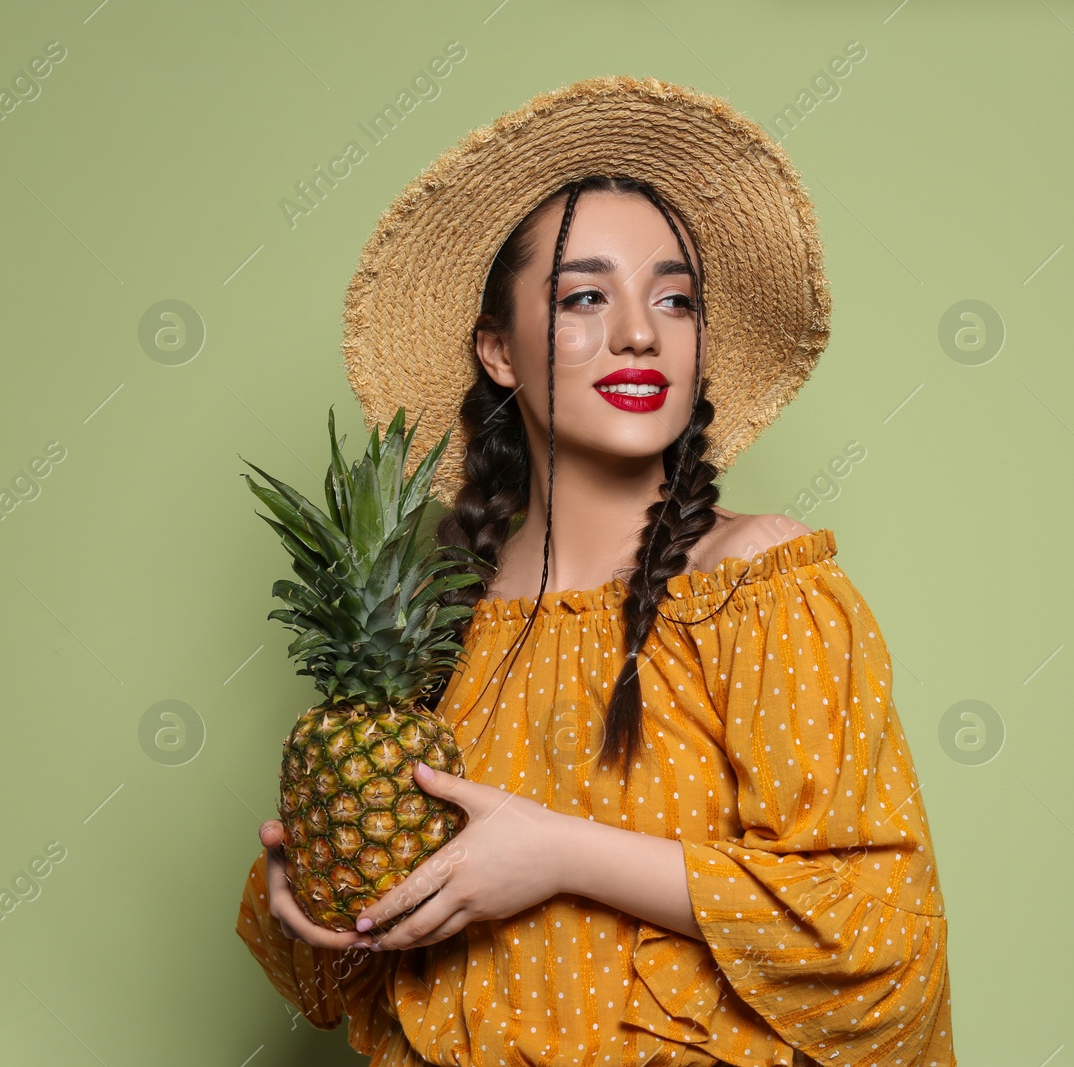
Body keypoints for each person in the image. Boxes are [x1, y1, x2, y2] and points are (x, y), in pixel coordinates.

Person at [235, 75, 954, 1067]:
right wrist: (305, 893)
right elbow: (341, 977)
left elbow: (881, 938)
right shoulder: (436, 615)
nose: (639, 332)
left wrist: (559, 852)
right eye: (584, 295)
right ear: (497, 349)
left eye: (675, 298)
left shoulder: (759, 587)